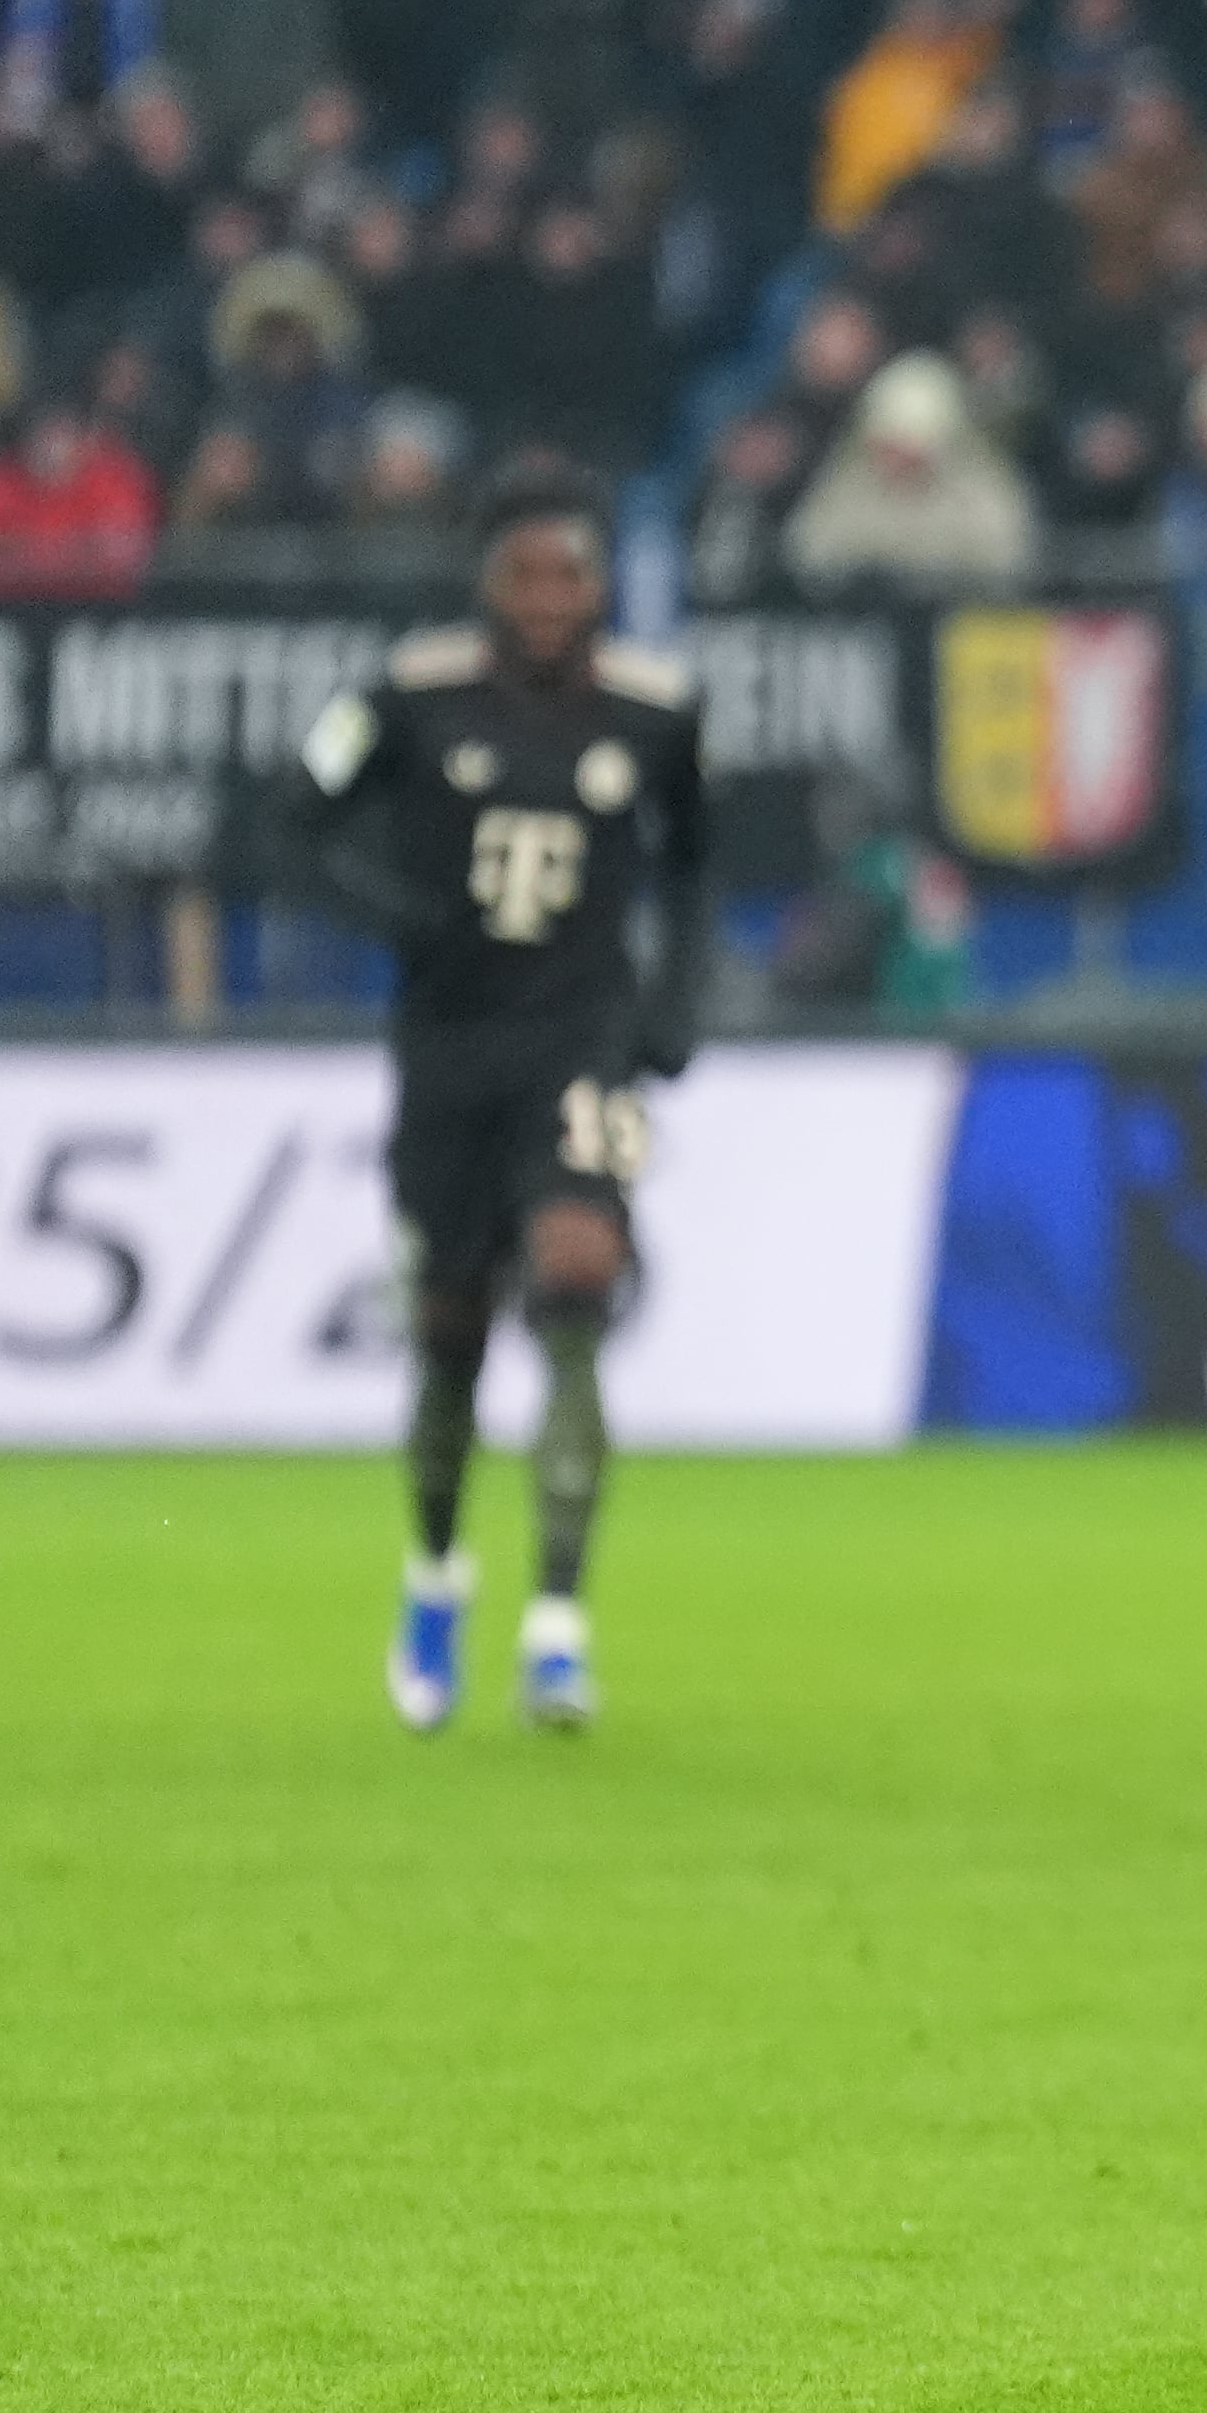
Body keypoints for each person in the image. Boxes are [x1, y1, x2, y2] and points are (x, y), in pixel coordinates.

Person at [289, 455, 711, 1737]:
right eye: (523, 572)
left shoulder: (656, 712)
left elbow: (695, 867)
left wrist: (675, 1003)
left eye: (569, 573)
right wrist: (396, 917)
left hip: (579, 1044)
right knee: (452, 1334)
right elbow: (287, 822)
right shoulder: (409, 697)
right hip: (446, 1052)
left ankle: (560, 1624)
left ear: (600, 583)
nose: (546, 597)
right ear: (485, 580)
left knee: (577, 1284)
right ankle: (433, 1579)